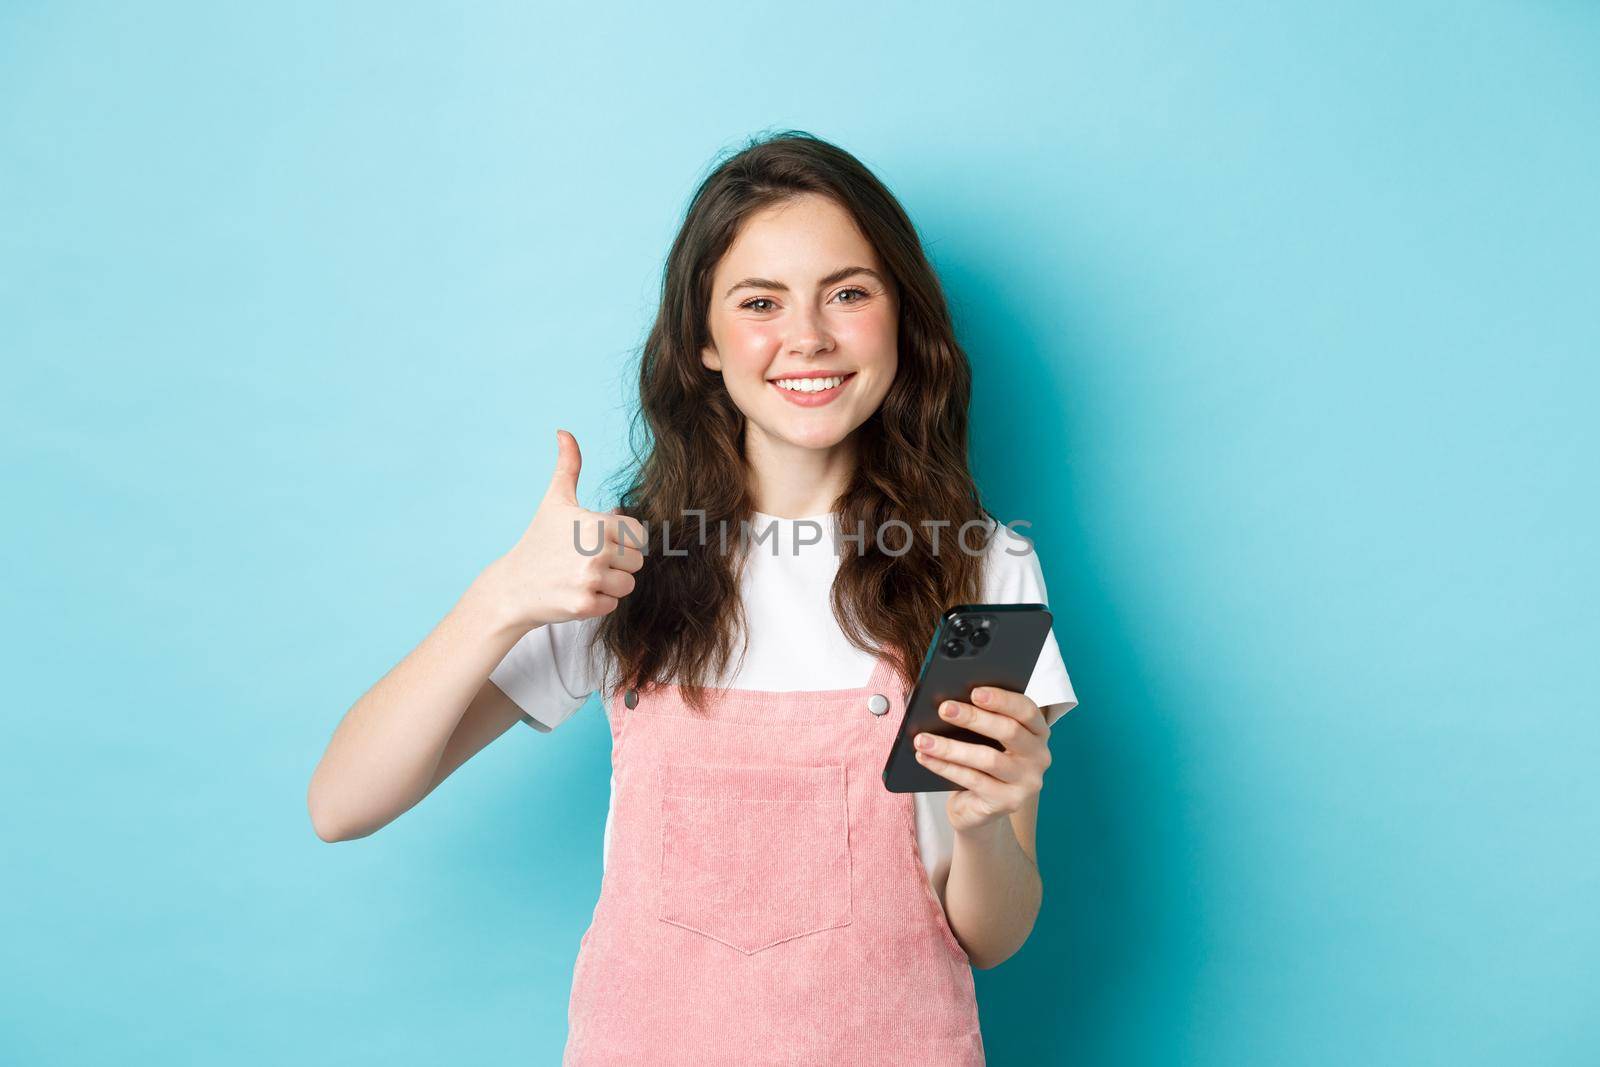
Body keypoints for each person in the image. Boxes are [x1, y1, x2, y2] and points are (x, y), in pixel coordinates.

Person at [308, 130, 1078, 1065]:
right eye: (761, 302)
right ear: (704, 343)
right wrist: (501, 597)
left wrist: (983, 823)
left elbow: (992, 936)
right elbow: (342, 802)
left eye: (848, 291)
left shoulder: (983, 570)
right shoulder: (618, 566)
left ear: (902, 317)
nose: (809, 337)